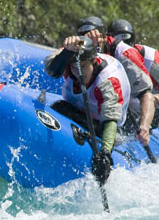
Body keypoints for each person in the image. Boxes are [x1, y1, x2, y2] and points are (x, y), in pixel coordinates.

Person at [44, 36, 131, 183]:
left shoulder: (108, 81)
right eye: (74, 67)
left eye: (83, 66)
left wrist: (105, 155)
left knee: (60, 108)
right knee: (58, 107)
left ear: (93, 62)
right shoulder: (71, 65)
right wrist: (67, 50)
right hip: (81, 112)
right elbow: (51, 69)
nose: (78, 72)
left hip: (106, 126)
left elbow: (110, 121)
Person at [107, 19, 159, 152]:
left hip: (144, 110)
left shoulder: (152, 61)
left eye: (128, 44)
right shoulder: (105, 56)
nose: (125, 51)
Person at [77, 18, 155, 145]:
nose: (90, 41)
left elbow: (146, 94)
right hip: (98, 104)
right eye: (85, 38)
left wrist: (144, 126)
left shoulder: (126, 53)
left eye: (94, 36)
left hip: (128, 112)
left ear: (103, 36)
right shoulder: (82, 49)